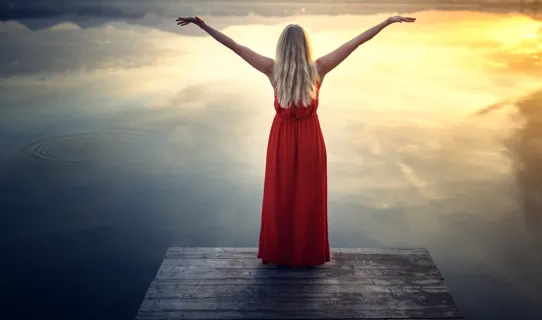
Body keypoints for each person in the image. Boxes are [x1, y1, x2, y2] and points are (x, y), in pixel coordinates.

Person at [175, 14, 416, 267]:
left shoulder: (272, 70)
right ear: (305, 47)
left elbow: (235, 46)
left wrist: (203, 26)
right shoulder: (318, 68)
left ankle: (280, 253)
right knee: (308, 198)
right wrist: (386, 22)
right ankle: (307, 254)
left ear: (281, 47)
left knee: (280, 196)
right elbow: (353, 43)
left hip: (281, 141)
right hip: (311, 139)